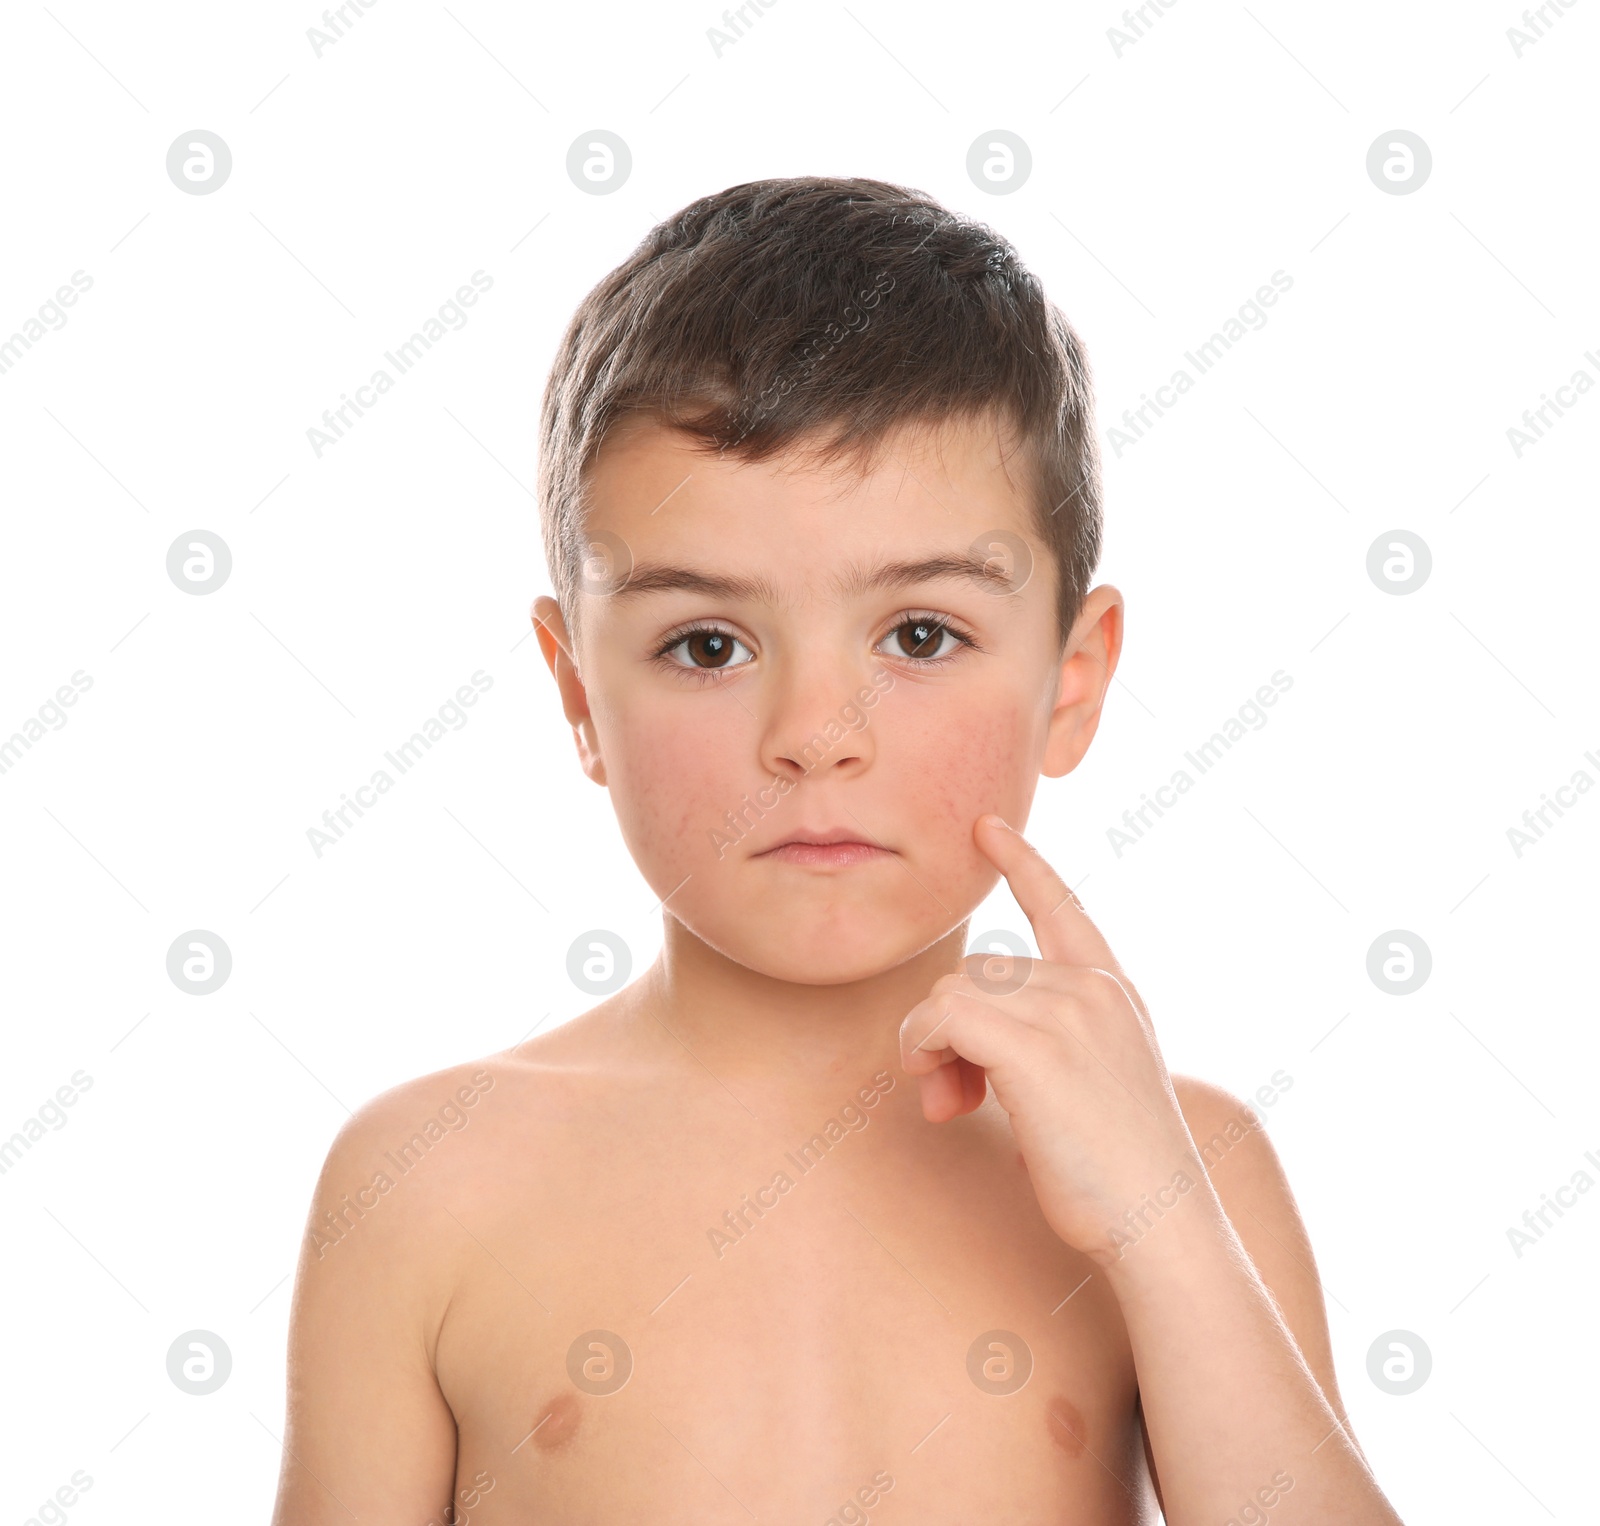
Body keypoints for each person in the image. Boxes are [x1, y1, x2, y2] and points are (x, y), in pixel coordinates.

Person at [270, 176, 1404, 1525]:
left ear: (1074, 679)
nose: (815, 735)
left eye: (920, 635)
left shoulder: (1186, 1164)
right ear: (579, 692)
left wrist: (1161, 1227)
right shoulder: (429, 1183)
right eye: (708, 644)